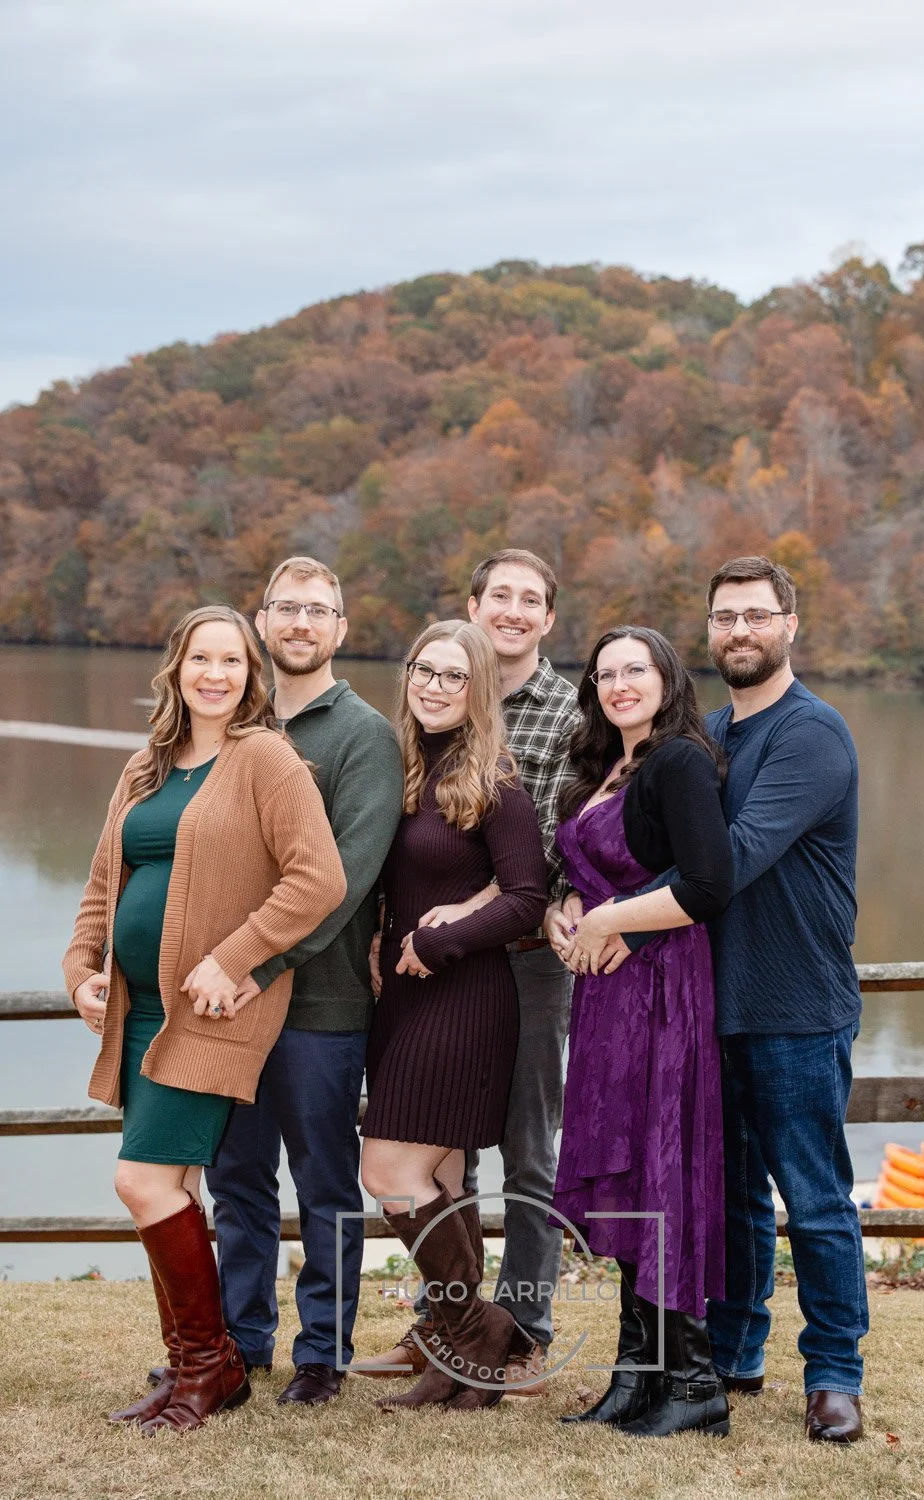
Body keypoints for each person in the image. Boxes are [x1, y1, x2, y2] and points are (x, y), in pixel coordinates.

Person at [572, 556, 868, 1444]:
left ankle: (834, 1375)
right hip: (699, 1006)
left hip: (790, 1001)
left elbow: (728, 859)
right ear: (708, 632)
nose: (741, 630)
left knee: (812, 1197)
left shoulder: (812, 734)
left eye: (757, 615)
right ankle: (734, 1354)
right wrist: (586, 900)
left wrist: (617, 915)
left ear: (789, 625)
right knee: (726, 1197)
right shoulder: (700, 734)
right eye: (726, 617)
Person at [63, 605, 345, 1435]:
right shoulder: (148, 764)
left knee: (140, 1181)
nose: (215, 675)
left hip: (212, 1010)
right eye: (200, 659)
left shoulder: (266, 759)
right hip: (139, 1008)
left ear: (252, 676)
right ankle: (199, 1365)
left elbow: (317, 878)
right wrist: (83, 972)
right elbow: (99, 883)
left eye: (232, 661)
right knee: (174, 1187)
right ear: (177, 670)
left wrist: (236, 957)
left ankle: (208, 1364)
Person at [356, 549, 579, 1394]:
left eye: (455, 675)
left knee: (395, 1170)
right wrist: (387, 936)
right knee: (446, 1174)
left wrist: (440, 937)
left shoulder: (502, 773)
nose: (437, 684)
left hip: (480, 987)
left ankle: (494, 1330)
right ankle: (459, 1343)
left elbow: (530, 890)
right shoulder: (409, 767)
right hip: (411, 997)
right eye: (426, 670)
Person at [200, 558, 404, 1407]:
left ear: (341, 630)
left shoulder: (362, 737)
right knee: (236, 1179)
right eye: (286, 609)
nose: (299, 624)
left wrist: (258, 963)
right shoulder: (226, 726)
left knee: (323, 1182)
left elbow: (347, 876)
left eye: (318, 612)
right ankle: (240, 1342)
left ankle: (323, 1351)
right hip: (227, 1000)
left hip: (318, 1004)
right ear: (262, 618)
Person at [545, 627, 733, 1439]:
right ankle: (634, 1376)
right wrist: (565, 913)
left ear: (667, 680)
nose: (621, 684)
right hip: (605, 1001)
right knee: (624, 1181)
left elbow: (708, 881)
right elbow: (584, 878)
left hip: (662, 993)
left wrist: (614, 917)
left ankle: (694, 1383)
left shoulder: (680, 762)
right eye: (607, 673)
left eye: (637, 670)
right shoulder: (602, 767)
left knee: (664, 1173)